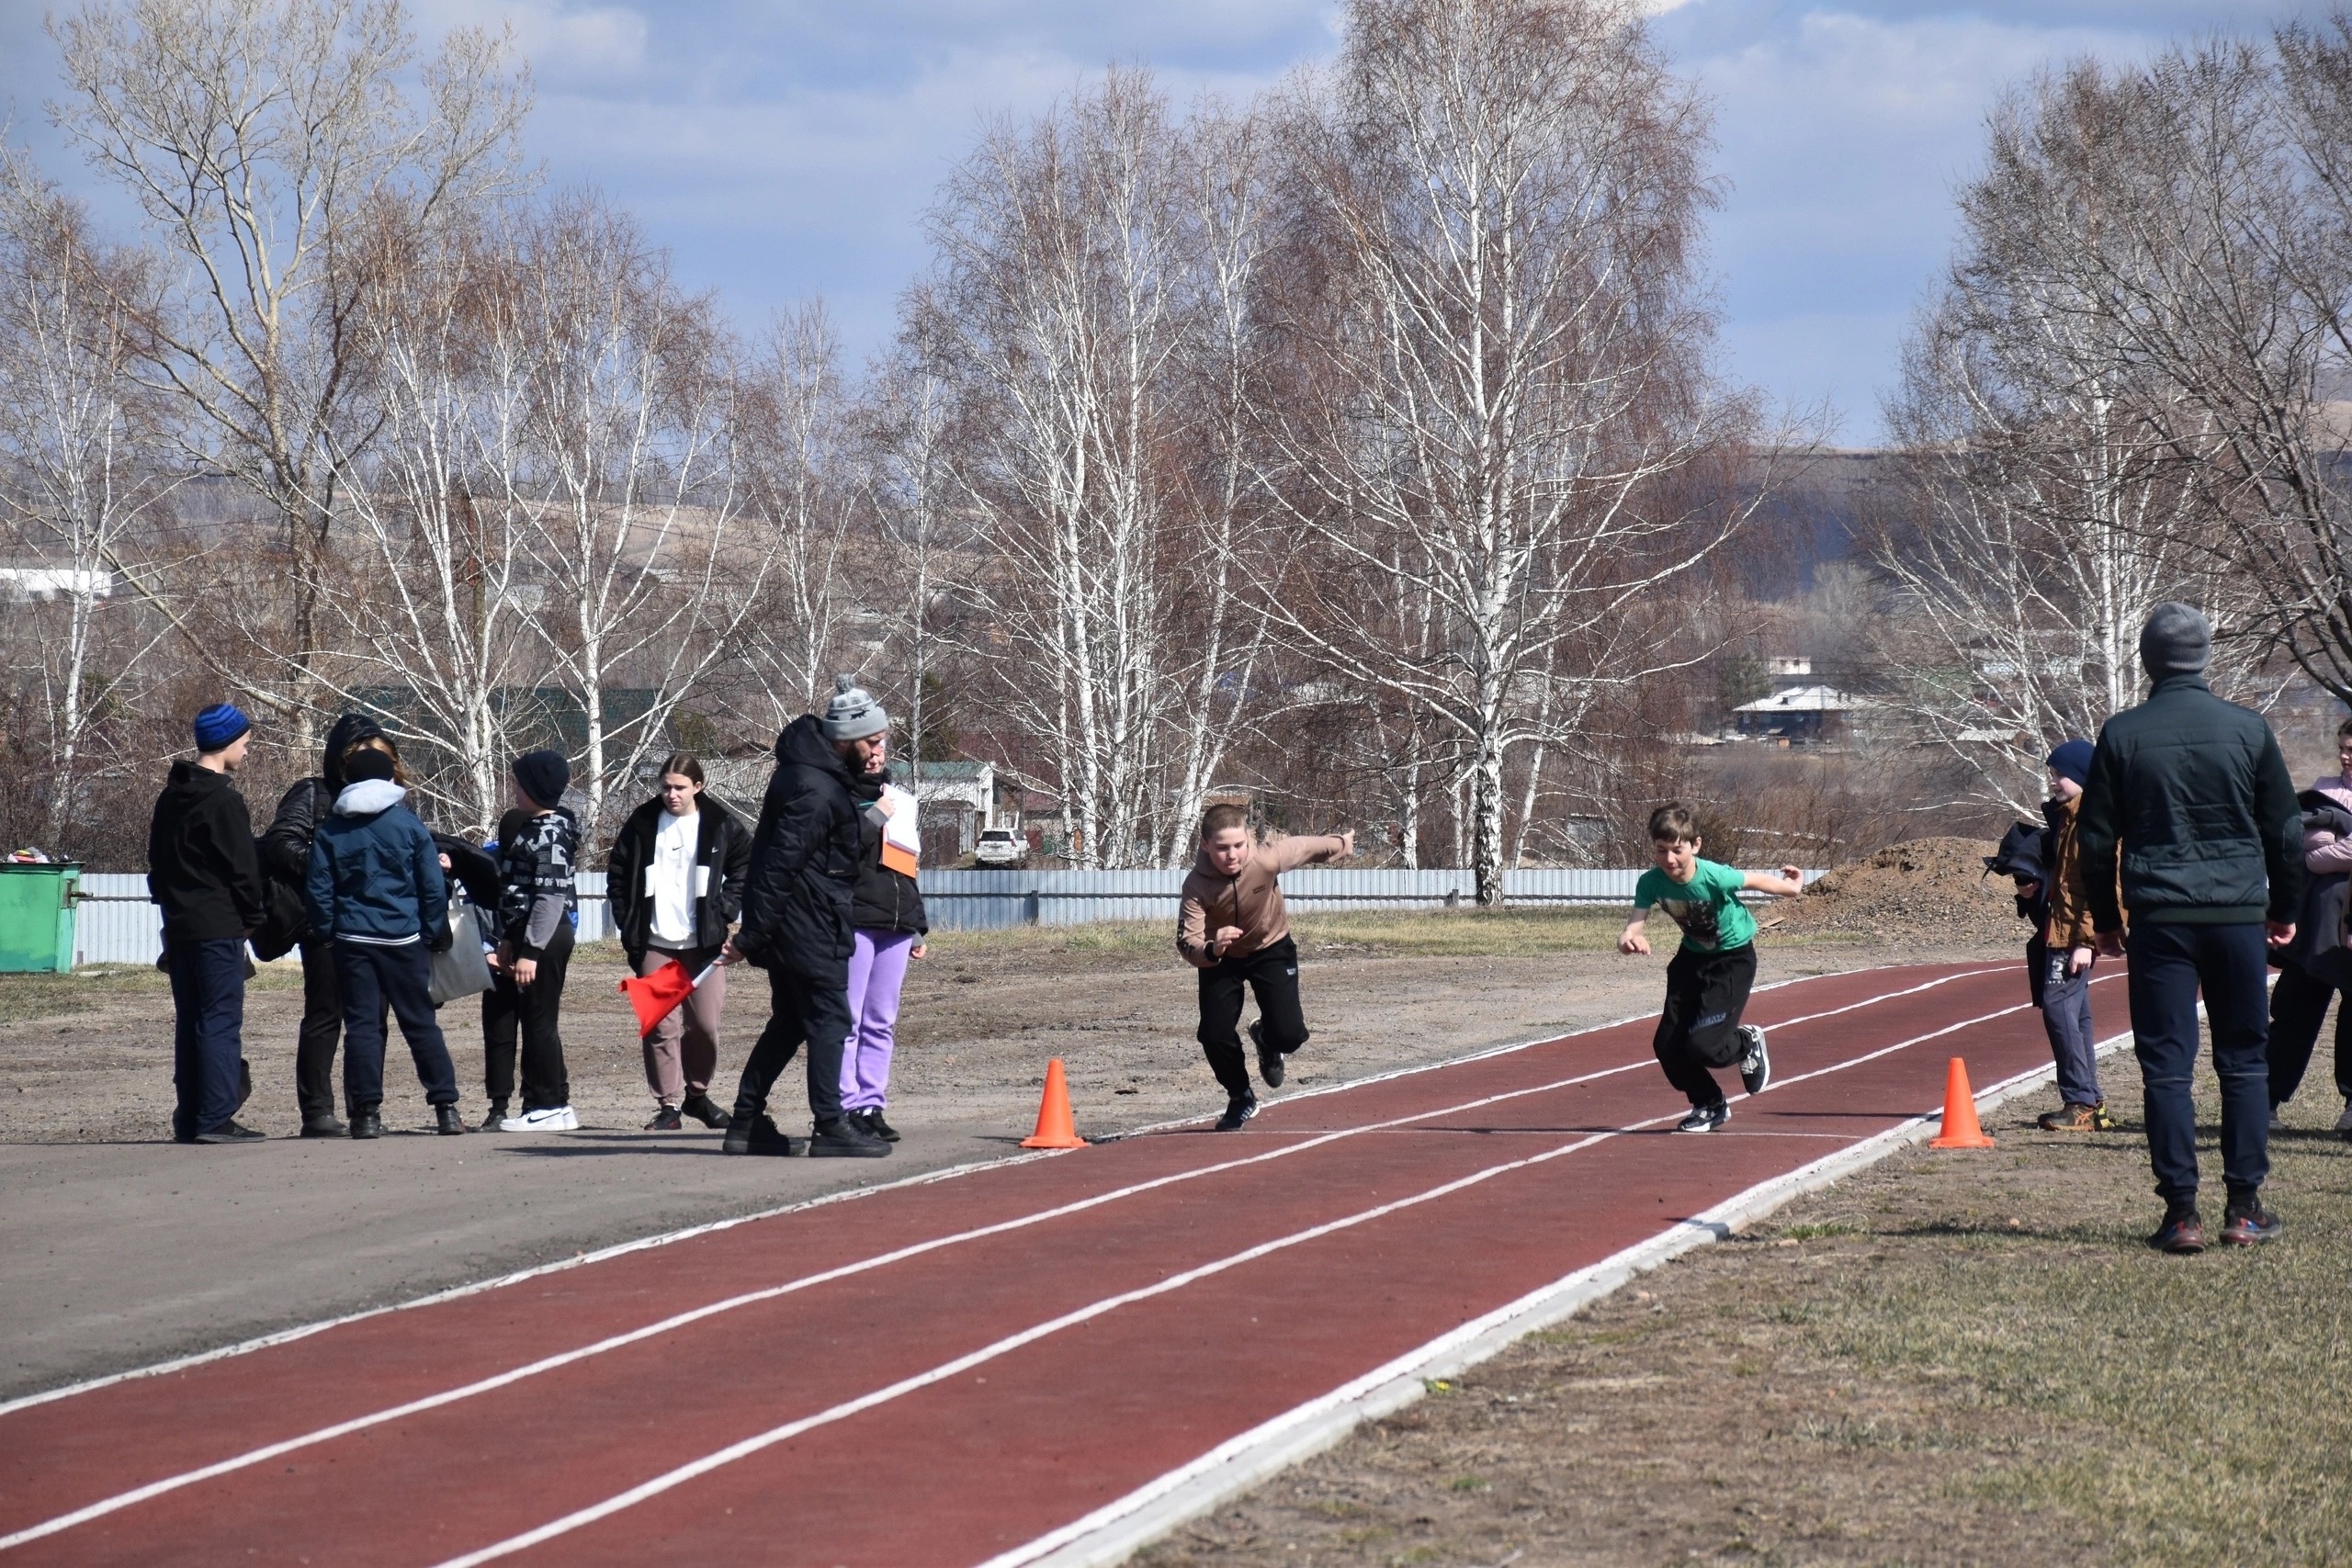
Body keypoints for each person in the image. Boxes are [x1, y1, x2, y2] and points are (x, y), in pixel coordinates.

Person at [2079, 601, 2303, 1254]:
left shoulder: (2122, 734)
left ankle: (2181, 1212)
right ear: (2204, 656)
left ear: (2148, 660)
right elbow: (2287, 832)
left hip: (2160, 917)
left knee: (2167, 1067)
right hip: (2236, 913)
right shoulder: (2248, 729)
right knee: (2244, 1059)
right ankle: (2244, 1205)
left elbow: (2095, 842)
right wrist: (2284, 908)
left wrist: (2104, 919)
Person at [723, 676, 893, 1158]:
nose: (879, 749)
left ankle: (746, 1121)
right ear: (847, 738)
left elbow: (829, 846)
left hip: (803, 918)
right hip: (806, 922)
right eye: (874, 741)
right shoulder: (815, 787)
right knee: (829, 1019)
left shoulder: (815, 775)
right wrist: (753, 936)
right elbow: (781, 862)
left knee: (792, 1020)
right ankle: (830, 1126)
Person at [303, 748, 466, 1138]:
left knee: (362, 1026)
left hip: (353, 939)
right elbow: (431, 886)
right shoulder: (409, 826)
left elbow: (318, 890)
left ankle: (366, 1114)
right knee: (420, 1022)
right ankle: (446, 1108)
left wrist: (327, 931)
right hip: (404, 937)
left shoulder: (332, 830)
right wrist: (430, 931)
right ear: (388, 780)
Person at [1616, 802, 1805, 1133]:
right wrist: (1628, 939)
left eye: (1677, 850)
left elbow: (1755, 880)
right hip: (1690, 961)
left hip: (1731, 961)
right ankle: (1709, 1105)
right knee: (1667, 1045)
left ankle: (1746, 1042)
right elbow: (1634, 924)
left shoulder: (1713, 875)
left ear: (1695, 845)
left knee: (1705, 1047)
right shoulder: (1651, 882)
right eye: (1661, 850)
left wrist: (1791, 887)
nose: (1669, 859)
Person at [1176, 804, 1355, 1131]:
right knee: (1212, 1034)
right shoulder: (1196, 886)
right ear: (1204, 846)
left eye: (1239, 845)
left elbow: (1305, 847)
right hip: (1222, 958)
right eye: (1222, 848)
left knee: (1290, 1035)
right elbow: (1187, 942)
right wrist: (1213, 948)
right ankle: (1240, 1096)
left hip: (1271, 948)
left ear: (1249, 838)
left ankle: (1268, 1041)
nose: (1232, 855)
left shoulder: (1264, 859)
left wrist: (1342, 843)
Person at [261, 713, 393, 1137]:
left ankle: (365, 1109)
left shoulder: (390, 797)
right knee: (325, 1015)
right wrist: (330, 869)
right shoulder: (314, 794)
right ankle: (317, 1112)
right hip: (327, 922)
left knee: (372, 1019)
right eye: (362, 753)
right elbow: (280, 842)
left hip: (378, 923)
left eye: (380, 754)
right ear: (341, 757)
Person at [606, 752, 752, 1132]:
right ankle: (668, 1106)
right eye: (666, 786)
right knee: (660, 1025)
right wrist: (628, 920)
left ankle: (697, 1097)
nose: (671, 794)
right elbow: (618, 872)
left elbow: (745, 865)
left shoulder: (719, 823)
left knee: (703, 1026)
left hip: (703, 943)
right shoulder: (642, 822)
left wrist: (726, 909)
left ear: (698, 787)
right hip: (654, 942)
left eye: (680, 788)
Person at [147, 703, 269, 1144]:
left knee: (192, 1019)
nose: (248, 750)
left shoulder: (171, 795)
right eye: (246, 742)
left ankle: (190, 1115)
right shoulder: (223, 798)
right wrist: (253, 917)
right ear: (228, 742)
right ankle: (216, 1117)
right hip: (218, 925)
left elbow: (156, 865)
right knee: (219, 1020)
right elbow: (243, 868)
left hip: (179, 926)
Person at [2267, 717, 2352, 1139]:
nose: (2345, 755)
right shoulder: (2322, 789)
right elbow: (2306, 847)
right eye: (2342, 747)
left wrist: (2336, 841)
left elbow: (2326, 848)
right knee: (2294, 1013)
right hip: (2315, 923)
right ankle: (2264, 1101)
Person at [842, 733, 929, 1142]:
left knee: (881, 1021)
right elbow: (839, 853)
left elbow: (907, 866)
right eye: (867, 747)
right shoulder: (837, 795)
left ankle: (872, 1104)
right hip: (854, 922)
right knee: (849, 1020)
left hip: (896, 925)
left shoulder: (901, 800)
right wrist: (873, 817)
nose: (875, 755)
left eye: (880, 747)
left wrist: (917, 925)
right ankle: (844, 1107)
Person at [489, 750, 580, 1133]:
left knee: (540, 1020)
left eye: (518, 783)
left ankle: (546, 1105)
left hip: (546, 935)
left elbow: (548, 897)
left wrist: (531, 952)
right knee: (535, 1018)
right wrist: (510, 939)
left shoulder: (551, 832)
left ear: (536, 788)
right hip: (525, 933)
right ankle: (556, 1105)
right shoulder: (529, 825)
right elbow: (518, 890)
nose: (513, 789)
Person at [2030, 739, 2116, 1133]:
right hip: (2059, 930)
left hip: (2072, 937)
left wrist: (2085, 940)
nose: (2053, 782)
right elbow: (2064, 881)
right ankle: (2090, 1101)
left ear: (2082, 776)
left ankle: (2079, 1101)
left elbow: (2098, 885)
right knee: (2074, 1015)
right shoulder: (2068, 818)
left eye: (2059, 775)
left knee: (2059, 1011)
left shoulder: (2092, 820)